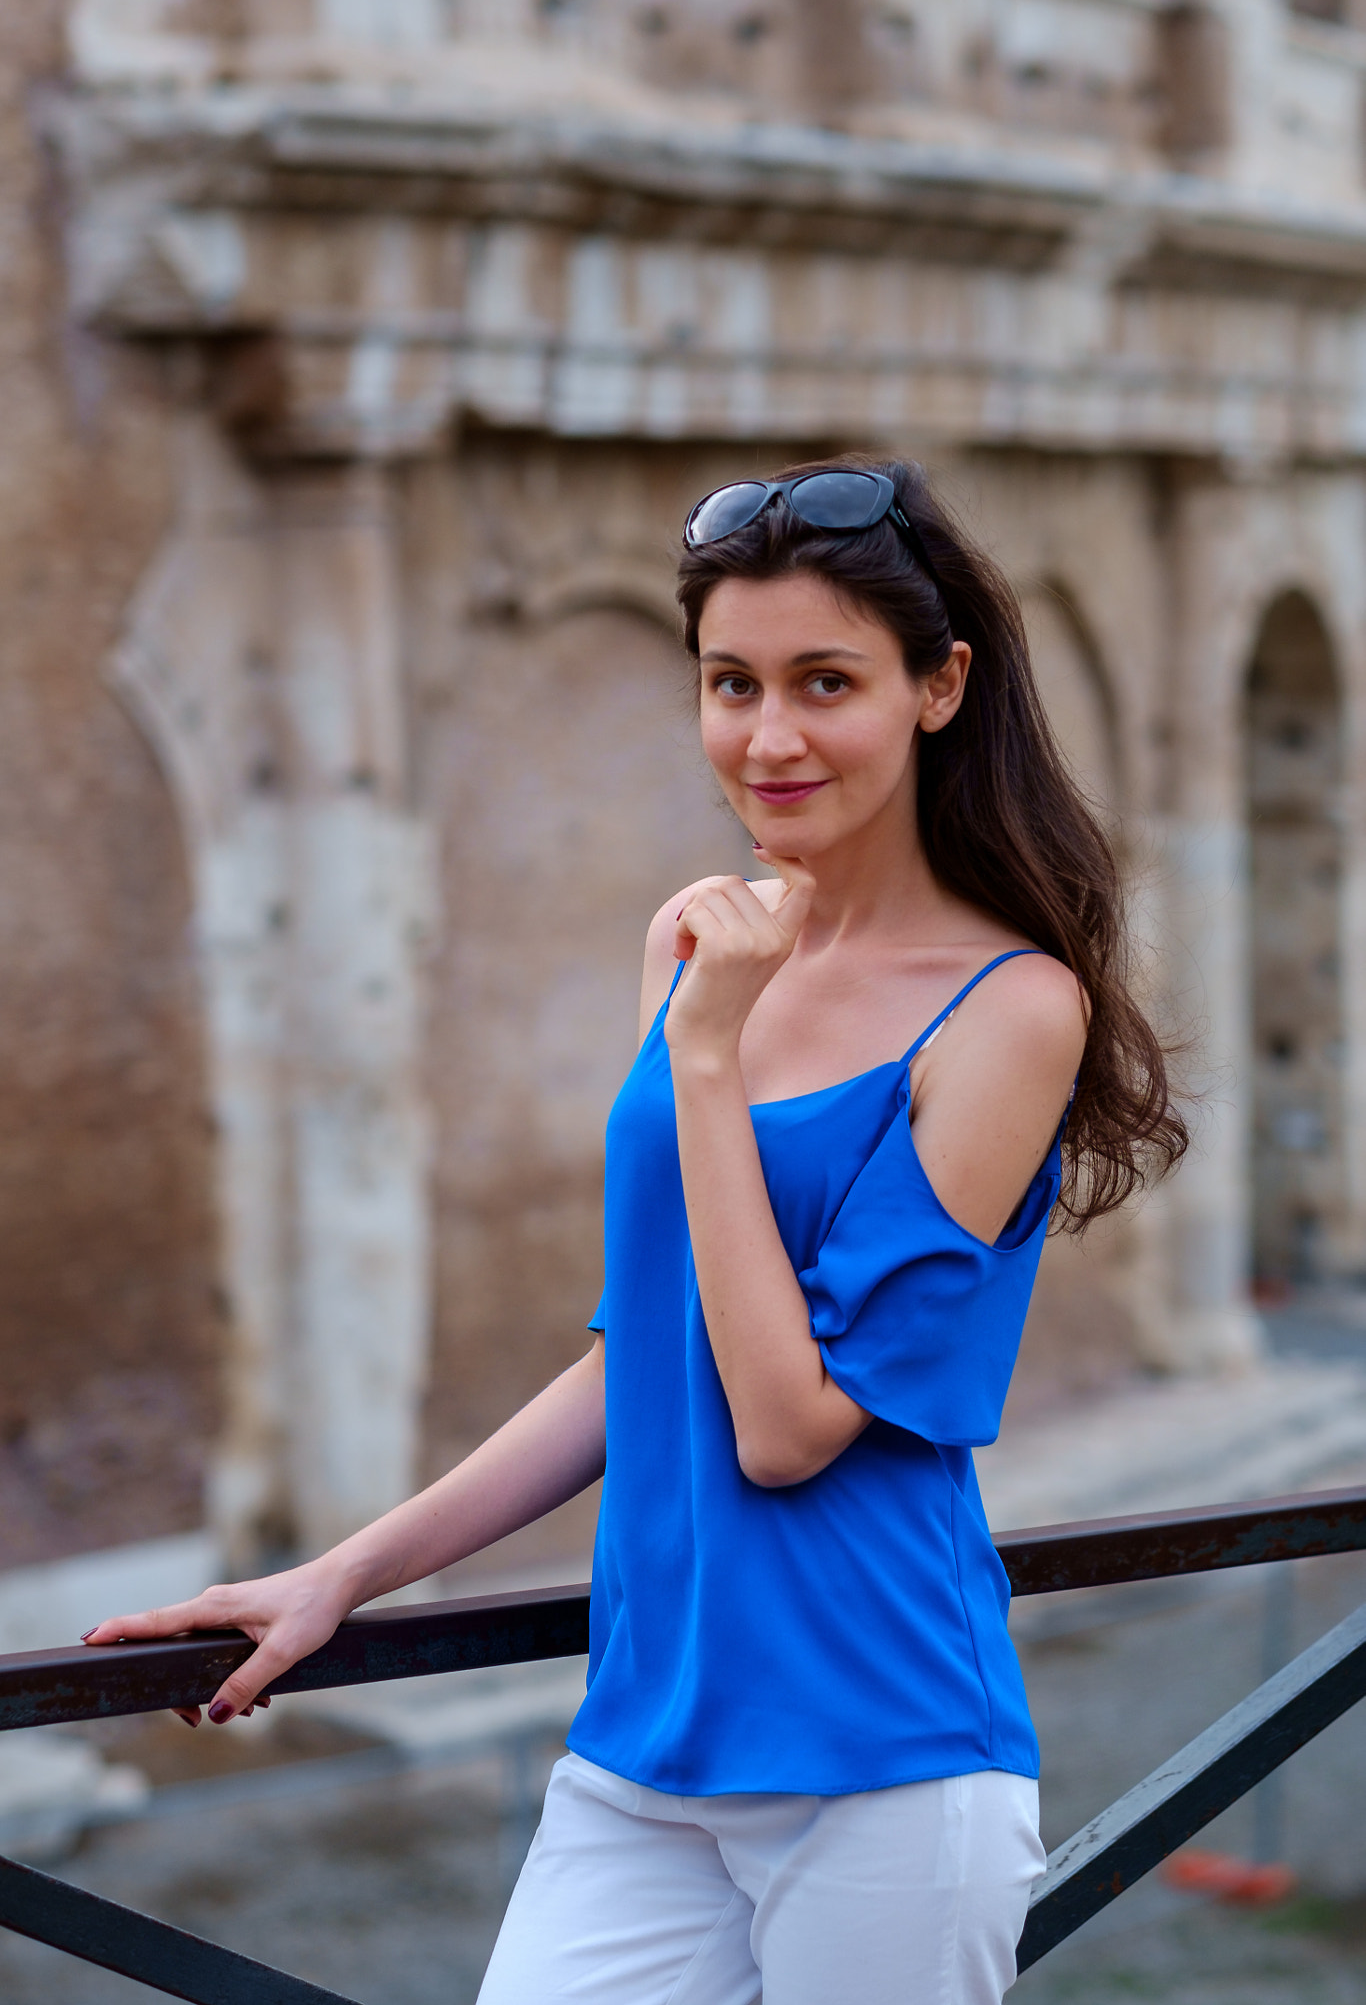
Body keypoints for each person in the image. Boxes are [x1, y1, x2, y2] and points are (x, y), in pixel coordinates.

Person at [84, 458, 1186, 2004]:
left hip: (879, 1755)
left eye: (824, 682)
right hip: (642, 1747)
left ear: (939, 688)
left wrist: (711, 1056)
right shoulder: (696, 960)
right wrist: (343, 1577)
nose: (768, 735)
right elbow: (644, 1349)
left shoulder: (1006, 1009)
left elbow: (788, 1426)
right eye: (729, 683)